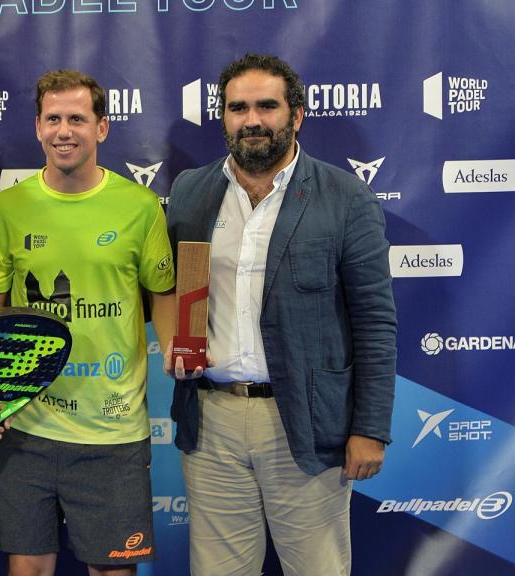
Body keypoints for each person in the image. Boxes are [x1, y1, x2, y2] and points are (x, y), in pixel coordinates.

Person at [165, 53, 397, 575]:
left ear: (296, 115)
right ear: (223, 116)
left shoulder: (346, 197)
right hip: (212, 420)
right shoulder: (190, 191)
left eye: (266, 106)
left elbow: (375, 322)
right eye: (237, 107)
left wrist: (371, 427)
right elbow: (177, 289)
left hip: (306, 423)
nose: (252, 120)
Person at [0, 69, 176, 576]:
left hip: (112, 429)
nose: (64, 130)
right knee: (28, 568)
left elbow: (164, 292)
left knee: (112, 571)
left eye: (78, 119)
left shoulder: (140, 206)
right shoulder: (6, 208)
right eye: (53, 118)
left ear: (102, 128)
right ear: (38, 127)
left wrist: (177, 348)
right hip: (25, 424)